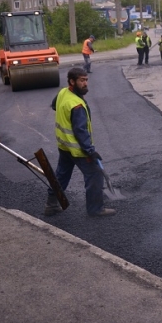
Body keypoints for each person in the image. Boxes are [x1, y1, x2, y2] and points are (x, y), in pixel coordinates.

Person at [44, 67, 116, 217]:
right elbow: (80, 130)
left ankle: (51, 205)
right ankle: (95, 209)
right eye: (82, 80)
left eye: (86, 80)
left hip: (64, 146)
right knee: (95, 174)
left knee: (62, 175)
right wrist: (90, 151)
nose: (85, 83)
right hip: (77, 149)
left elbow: (54, 106)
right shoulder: (76, 105)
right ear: (72, 81)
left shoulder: (63, 92)